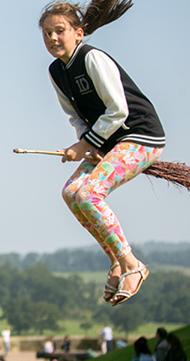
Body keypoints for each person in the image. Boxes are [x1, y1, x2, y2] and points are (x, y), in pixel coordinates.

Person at [39, 0, 164, 306]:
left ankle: (134, 266)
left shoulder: (92, 58)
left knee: (88, 195)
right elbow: (77, 117)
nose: (53, 38)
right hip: (107, 143)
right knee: (70, 193)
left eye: (59, 31)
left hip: (141, 137)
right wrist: (88, 144)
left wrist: (86, 144)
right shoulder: (56, 71)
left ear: (78, 33)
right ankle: (118, 262)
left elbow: (118, 111)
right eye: (46, 34)